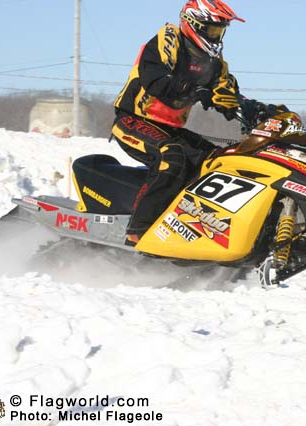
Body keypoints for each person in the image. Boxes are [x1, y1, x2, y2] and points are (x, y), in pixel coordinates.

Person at [111, 0, 272, 245]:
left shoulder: (214, 63)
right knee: (171, 156)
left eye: (219, 31)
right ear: (194, 24)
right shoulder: (170, 40)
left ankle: (194, 230)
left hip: (170, 129)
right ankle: (138, 230)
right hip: (133, 120)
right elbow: (155, 80)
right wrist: (194, 90)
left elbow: (228, 95)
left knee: (215, 160)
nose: (216, 36)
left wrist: (257, 110)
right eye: (212, 30)